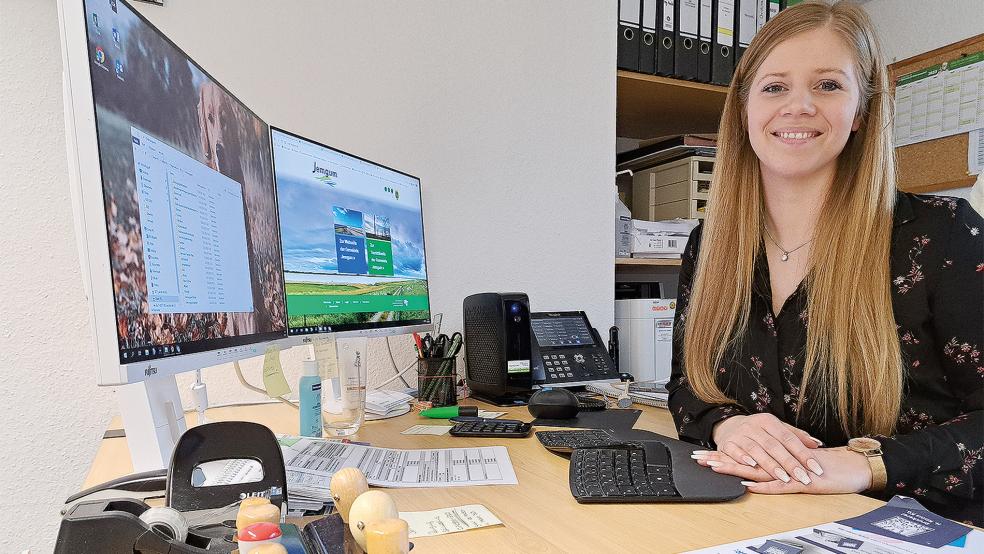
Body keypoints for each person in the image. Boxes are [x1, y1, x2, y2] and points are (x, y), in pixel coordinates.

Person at [667, 1, 983, 525]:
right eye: (774, 87)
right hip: (754, 522)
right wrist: (727, 426)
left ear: (861, 111)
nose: (798, 106)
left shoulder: (942, 235)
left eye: (828, 85)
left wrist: (865, 464)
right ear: (744, 109)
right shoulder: (710, 245)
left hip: (914, 525)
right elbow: (687, 385)